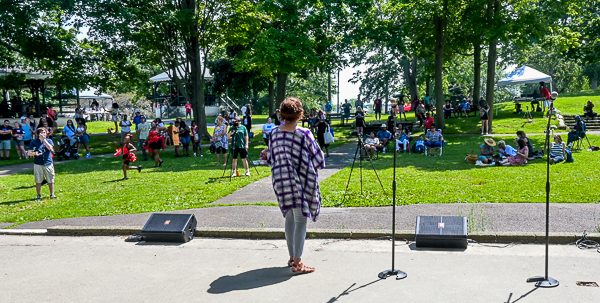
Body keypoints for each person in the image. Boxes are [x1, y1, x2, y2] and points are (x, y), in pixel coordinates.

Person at [267, 97, 325, 274]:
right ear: (300, 114)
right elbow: (319, 159)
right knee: (300, 221)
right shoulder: (304, 134)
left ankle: (292, 257)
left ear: (282, 114)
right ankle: (298, 263)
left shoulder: (274, 133)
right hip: (300, 181)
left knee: (290, 218)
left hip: (280, 180)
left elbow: (271, 158)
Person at [28, 128, 57, 199]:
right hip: (38, 163)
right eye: (41, 133)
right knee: (38, 180)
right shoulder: (34, 142)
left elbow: (50, 148)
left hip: (48, 163)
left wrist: (44, 140)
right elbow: (29, 153)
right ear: (38, 134)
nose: (43, 134)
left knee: (50, 179)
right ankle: (38, 195)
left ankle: (52, 194)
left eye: (44, 132)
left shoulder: (49, 140)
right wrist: (34, 153)